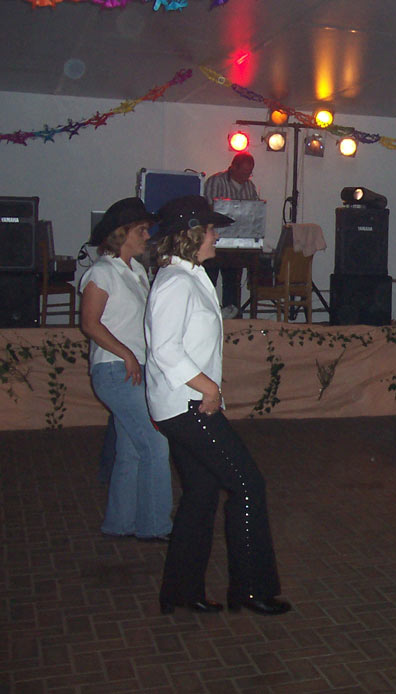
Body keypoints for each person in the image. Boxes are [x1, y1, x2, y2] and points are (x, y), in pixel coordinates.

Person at [146, 195, 290, 616]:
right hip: (188, 405)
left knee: (202, 493)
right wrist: (208, 388)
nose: (215, 236)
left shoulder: (188, 276)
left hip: (182, 404)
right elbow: (165, 349)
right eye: (210, 229)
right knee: (248, 485)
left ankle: (181, 591)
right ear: (190, 235)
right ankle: (250, 589)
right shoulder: (176, 282)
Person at [80, 198, 172, 541]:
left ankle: (121, 523)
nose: (147, 235)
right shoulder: (101, 272)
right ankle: (155, 525)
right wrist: (127, 354)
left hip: (132, 368)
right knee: (155, 445)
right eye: (141, 230)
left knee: (132, 449)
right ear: (122, 233)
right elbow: (90, 323)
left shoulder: (136, 272)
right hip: (115, 369)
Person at [202, 152, 258, 319]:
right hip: (215, 242)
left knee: (233, 284)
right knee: (208, 281)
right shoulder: (215, 181)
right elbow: (210, 209)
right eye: (243, 172)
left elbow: (255, 212)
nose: (246, 177)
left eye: (249, 173)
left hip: (237, 244)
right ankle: (208, 317)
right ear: (233, 167)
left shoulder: (250, 186)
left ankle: (232, 320)